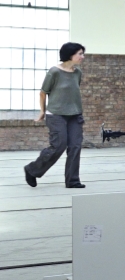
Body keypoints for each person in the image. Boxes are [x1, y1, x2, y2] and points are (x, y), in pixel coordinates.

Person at [24, 42, 87, 189]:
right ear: (70, 55)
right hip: (56, 115)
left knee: (75, 146)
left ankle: (72, 180)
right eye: (80, 54)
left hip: (75, 115)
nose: (82, 57)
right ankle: (32, 170)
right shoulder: (54, 72)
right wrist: (42, 111)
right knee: (58, 146)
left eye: (83, 54)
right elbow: (43, 92)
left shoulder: (78, 73)